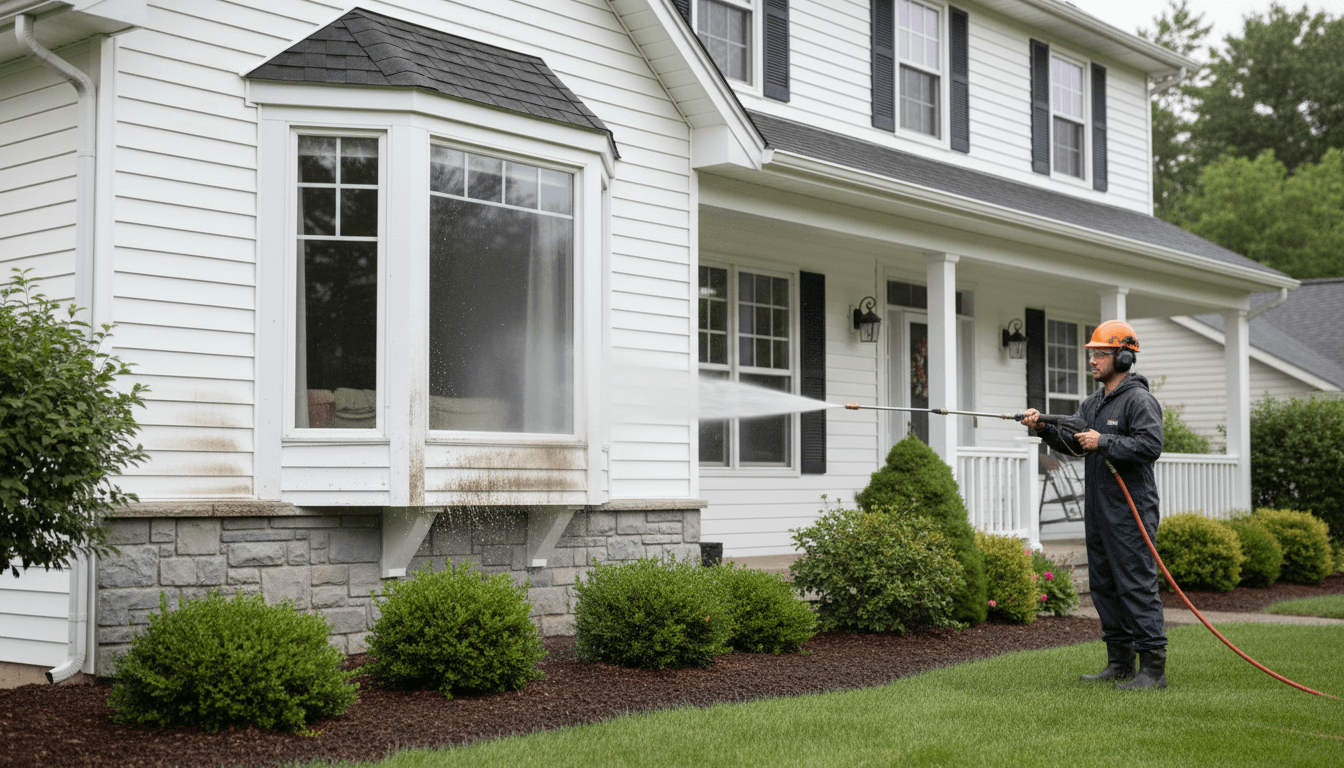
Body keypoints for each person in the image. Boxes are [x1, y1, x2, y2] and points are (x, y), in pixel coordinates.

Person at [1022, 320, 1167, 690]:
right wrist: (1043, 429)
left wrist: (1104, 441)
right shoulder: (1092, 403)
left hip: (1131, 509)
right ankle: (1119, 662)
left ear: (1122, 356)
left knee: (1135, 585)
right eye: (1091, 353)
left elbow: (1150, 447)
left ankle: (1152, 670)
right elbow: (1073, 444)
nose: (1092, 360)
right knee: (1103, 586)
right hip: (1099, 510)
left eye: (1100, 353)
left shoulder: (1139, 400)